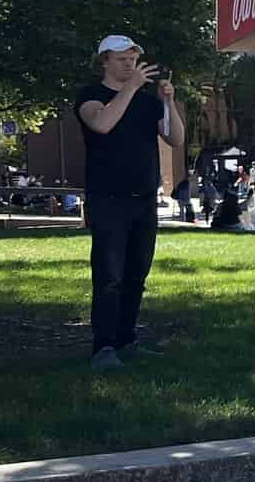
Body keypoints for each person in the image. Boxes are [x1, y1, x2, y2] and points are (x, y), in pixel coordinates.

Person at [75, 34, 183, 369]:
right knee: (109, 276)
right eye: (122, 59)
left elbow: (176, 138)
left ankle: (127, 339)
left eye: (133, 59)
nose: (129, 65)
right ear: (104, 61)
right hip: (107, 199)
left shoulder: (147, 102)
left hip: (144, 199)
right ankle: (104, 346)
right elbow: (102, 124)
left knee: (137, 274)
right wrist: (131, 88)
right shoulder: (90, 96)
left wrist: (168, 102)